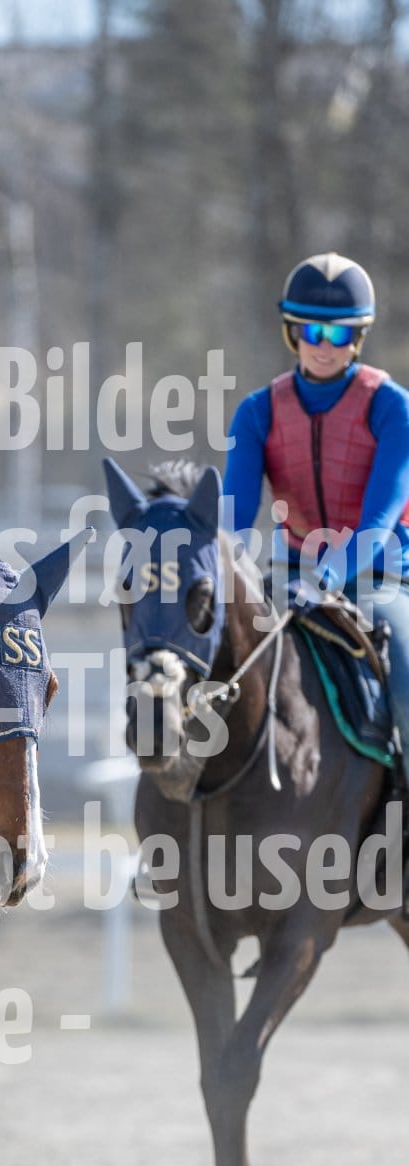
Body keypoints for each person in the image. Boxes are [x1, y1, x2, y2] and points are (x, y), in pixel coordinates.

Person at [222, 251, 409, 785]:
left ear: (358, 337)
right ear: (292, 332)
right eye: (311, 331)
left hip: (382, 579)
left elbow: (378, 519)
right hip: (289, 577)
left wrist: (324, 578)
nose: (324, 345)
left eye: (339, 333)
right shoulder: (256, 412)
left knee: (407, 678)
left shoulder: (393, 408)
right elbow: (234, 521)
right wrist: (225, 576)